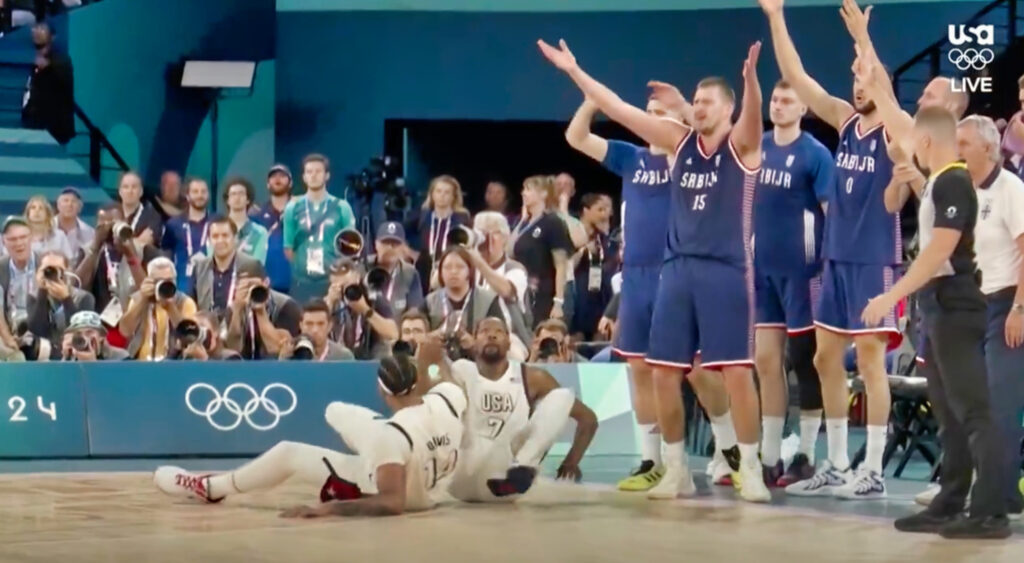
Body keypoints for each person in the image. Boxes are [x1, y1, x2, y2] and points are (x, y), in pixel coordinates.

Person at [539, 38, 767, 501]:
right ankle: (675, 469)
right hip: (674, 271)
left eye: (707, 102)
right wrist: (575, 72)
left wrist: (750, 82)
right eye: (695, 101)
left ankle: (751, 466)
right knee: (663, 371)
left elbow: (753, 118)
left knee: (735, 373)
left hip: (726, 270)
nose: (699, 108)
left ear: (728, 108)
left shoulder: (741, 147)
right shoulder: (674, 144)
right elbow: (619, 109)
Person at [760, 0, 899, 499]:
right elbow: (797, 77)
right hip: (836, 258)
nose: (858, 83)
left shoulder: (895, 128)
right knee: (822, 359)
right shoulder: (844, 121)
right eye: (854, 77)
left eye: (866, 77)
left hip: (873, 259)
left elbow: (881, 87)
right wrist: (776, 18)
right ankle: (839, 463)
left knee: (869, 361)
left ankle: (875, 469)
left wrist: (865, 42)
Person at [857, 97, 1009, 538]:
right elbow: (894, 116)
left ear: (925, 140)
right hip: (937, 309)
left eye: (913, 143)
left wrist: (891, 295)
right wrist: (865, 51)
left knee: (974, 412)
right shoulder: (938, 180)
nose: (909, 149)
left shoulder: (953, 184)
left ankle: (991, 512)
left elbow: (940, 250)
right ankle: (950, 501)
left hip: (959, 308)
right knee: (948, 412)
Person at [154, 355, 467, 517]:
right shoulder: (449, 398)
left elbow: (392, 503)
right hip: (423, 473)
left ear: (382, 392)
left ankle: (210, 488)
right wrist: (434, 361)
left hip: (399, 483)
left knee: (289, 451)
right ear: (417, 384)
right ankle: (360, 465)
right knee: (336, 411)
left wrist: (328, 510)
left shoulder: (390, 436)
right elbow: (446, 381)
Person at [565, 95, 682, 490]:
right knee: (639, 369)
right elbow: (576, 136)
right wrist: (590, 101)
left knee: (690, 372)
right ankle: (652, 459)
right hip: (635, 276)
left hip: (675, 271)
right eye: (646, 112)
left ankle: (706, 456)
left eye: (660, 114)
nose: (650, 120)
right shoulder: (630, 156)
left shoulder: (689, 157)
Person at [752, 80, 834, 486]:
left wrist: (828, 265)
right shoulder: (757, 146)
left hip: (802, 272)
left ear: (804, 108)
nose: (778, 105)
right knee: (766, 362)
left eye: (787, 100)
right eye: (775, 99)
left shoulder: (815, 154)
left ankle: (806, 452)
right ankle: (769, 455)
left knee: (805, 362)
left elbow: (830, 212)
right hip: (761, 271)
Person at [426, 316, 597, 499]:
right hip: (462, 469)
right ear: (473, 342)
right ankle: (521, 468)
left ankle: (521, 469)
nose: (491, 335)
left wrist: (570, 463)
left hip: (503, 474)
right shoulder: (461, 369)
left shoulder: (531, 377)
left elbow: (589, 419)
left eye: (498, 332)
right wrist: (436, 360)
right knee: (447, 396)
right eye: (484, 331)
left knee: (562, 396)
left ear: (509, 343)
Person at [955, 115, 1024, 519]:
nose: (957, 151)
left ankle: (995, 497)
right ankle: (993, 491)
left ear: (987, 147)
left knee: (1001, 404)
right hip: (975, 308)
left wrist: (1019, 307)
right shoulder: (965, 191)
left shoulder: (1011, 189)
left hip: (1006, 306)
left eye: (963, 144)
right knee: (975, 404)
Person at [282, 154, 356, 303]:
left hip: (331, 282)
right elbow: (288, 248)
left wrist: (338, 272)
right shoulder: (292, 208)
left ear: (327, 175)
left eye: (318, 171)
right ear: (303, 177)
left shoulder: (342, 207)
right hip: (301, 283)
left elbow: (351, 248)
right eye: (309, 172)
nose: (313, 176)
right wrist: (302, 267)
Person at [509, 175, 573, 326]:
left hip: (543, 293)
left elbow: (561, 265)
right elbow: (509, 251)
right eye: (524, 189)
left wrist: (558, 302)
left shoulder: (552, 222)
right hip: (523, 292)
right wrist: (522, 222)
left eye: (529, 189)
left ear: (543, 194)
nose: (523, 193)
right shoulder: (523, 223)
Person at [469, 211, 534, 358]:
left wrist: (479, 263)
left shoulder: (515, 268)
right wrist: (458, 253)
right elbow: (435, 283)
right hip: (471, 333)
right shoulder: (467, 266)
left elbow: (506, 291)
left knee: (514, 357)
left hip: (509, 335)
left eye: (493, 233)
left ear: (505, 238)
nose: (486, 239)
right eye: (481, 233)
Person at [423, 247, 504, 360]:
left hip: (478, 363)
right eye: (447, 267)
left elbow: (500, 337)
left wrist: (475, 344)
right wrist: (429, 339)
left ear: (469, 271)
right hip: (437, 362)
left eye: (460, 267)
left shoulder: (488, 299)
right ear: (440, 272)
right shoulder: (429, 301)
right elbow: (418, 334)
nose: (454, 272)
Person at [118, 257, 198, 361]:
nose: (164, 284)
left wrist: (171, 308)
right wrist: (142, 299)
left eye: (169, 280)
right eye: (158, 281)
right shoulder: (139, 298)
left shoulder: (185, 302)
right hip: (141, 364)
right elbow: (125, 331)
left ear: (175, 280)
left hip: (173, 365)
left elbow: (189, 337)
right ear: (149, 280)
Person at [189, 216, 265, 318]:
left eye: (225, 236)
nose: (220, 240)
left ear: (235, 238)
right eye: (215, 236)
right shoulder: (199, 267)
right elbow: (193, 304)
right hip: (208, 329)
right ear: (209, 241)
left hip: (241, 329)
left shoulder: (251, 266)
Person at [324, 257, 398, 360]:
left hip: (369, 356)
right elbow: (312, 332)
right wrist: (329, 304)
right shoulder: (328, 302)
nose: (344, 290)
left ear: (357, 278)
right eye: (339, 287)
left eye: (347, 285)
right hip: (338, 358)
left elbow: (392, 334)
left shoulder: (373, 299)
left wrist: (365, 310)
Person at [408, 175, 472, 293]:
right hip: (423, 270)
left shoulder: (462, 220)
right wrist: (412, 254)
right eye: (438, 191)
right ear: (432, 194)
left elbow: (468, 248)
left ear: (454, 196)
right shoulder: (421, 216)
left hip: (450, 271)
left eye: (447, 192)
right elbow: (400, 237)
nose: (442, 196)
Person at [26, 251, 94, 360]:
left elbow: (81, 331)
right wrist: (42, 292)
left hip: (74, 353)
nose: (53, 274)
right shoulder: (34, 297)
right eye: (48, 270)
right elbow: (37, 330)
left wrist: (66, 299)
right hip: (44, 355)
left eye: (58, 269)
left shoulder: (84, 298)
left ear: (68, 271)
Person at [224, 267, 301, 360]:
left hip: (276, 366)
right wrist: (237, 310)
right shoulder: (234, 307)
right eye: (246, 287)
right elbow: (233, 347)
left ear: (266, 283)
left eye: (254, 285)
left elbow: (275, 348)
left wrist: (260, 311)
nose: (251, 290)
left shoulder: (286, 306)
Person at [568, 193, 616, 341]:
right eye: (600, 210)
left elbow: (612, 263)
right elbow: (568, 264)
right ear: (586, 211)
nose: (605, 214)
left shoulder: (604, 236)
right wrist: (584, 250)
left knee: (600, 334)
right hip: (578, 293)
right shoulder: (573, 231)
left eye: (606, 209)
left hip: (599, 294)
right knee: (577, 336)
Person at [20, 23, 73, 145]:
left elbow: (63, 81)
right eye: (35, 28)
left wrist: (50, 66)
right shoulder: (34, 62)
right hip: (33, 125)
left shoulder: (60, 61)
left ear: (52, 36)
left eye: (42, 28)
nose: (37, 31)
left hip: (53, 128)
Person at [161, 177, 210, 293]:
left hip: (209, 284)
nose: (200, 195)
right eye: (195, 192)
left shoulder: (217, 221)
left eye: (203, 192)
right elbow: (166, 253)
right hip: (181, 285)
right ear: (187, 196)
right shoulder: (173, 224)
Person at [366, 221, 424, 315]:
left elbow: (414, 313)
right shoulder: (363, 268)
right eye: (385, 243)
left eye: (395, 244)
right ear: (376, 244)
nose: (390, 248)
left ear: (403, 247)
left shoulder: (410, 274)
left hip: (398, 328)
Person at [252, 164, 294, 293]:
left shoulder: (301, 213)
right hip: (267, 285)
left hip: (297, 284)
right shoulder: (256, 216)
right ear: (267, 184)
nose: (277, 179)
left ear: (290, 183)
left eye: (282, 176)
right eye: (273, 177)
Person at [278, 300, 354, 361]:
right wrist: (283, 360)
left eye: (320, 324)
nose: (315, 330)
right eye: (309, 324)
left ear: (329, 326)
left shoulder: (343, 357)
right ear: (301, 325)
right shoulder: (290, 352)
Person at [222, 177, 269, 264]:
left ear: (248, 199)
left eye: (241, 194)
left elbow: (257, 263)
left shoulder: (260, 232)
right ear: (227, 200)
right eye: (233, 194)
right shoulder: (217, 230)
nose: (237, 198)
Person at [117, 171, 164, 252]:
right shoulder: (110, 213)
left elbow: (145, 243)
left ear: (141, 192)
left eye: (134, 187)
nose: (130, 191)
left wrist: (118, 245)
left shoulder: (153, 216)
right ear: (120, 192)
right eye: (125, 187)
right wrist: (137, 241)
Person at [170, 311, 242, 361]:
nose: (196, 331)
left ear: (215, 331)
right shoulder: (187, 357)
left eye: (201, 326)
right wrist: (177, 350)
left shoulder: (231, 357)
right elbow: (163, 373)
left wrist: (205, 360)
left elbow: (225, 379)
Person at [60, 311, 129, 361]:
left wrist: (92, 364)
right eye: (79, 333)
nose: (84, 337)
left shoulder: (120, 357)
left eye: (89, 332)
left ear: (101, 336)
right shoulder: (71, 355)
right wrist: (65, 358)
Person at [23, 195, 73, 262]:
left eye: (41, 208)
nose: (37, 211)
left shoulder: (59, 236)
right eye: (33, 208)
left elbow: (69, 261)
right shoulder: (20, 237)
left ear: (47, 214)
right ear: (28, 213)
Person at [53, 188, 94, 264]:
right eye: (66, 201)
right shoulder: (46, 227)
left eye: (74, 201)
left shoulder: (89, 232)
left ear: (80, 208)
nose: (69, 205)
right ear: (58, 205)